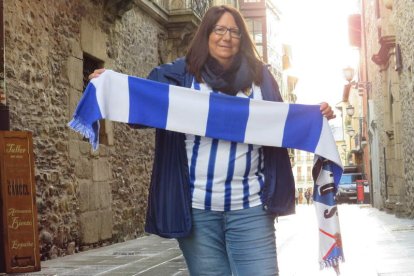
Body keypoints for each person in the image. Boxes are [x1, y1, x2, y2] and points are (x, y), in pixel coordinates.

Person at [89, 5, 335, 276]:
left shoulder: (260, 79)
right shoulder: (179, 76)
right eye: (219, 29)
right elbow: (140, 111)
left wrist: (316, 116)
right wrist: (111, 86)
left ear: (242, 39)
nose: (226, 37)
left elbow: (281, 123)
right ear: (206, 34)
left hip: (251, 207)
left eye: (234, 31)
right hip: (197, 211)